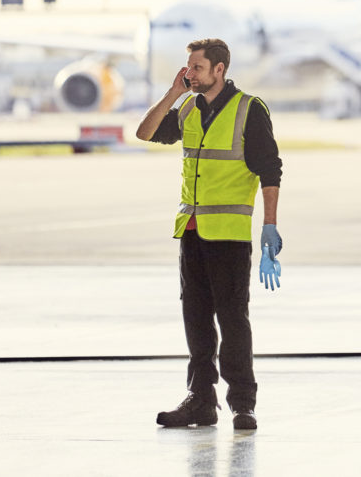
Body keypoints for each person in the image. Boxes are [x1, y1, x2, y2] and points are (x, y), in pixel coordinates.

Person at [136, 38, 283, 431]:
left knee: (233, 320)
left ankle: (242, 404)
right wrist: (172, 92)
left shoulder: (249, 109)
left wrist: (269, 225)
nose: (190, 73)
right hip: (192, 231)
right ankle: (201, 400)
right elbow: (145, 133)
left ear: (219, 69)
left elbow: (270, 169)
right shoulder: (187, 107)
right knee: (196, 320)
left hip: (230, 235)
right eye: (188, 67)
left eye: (197, 68)